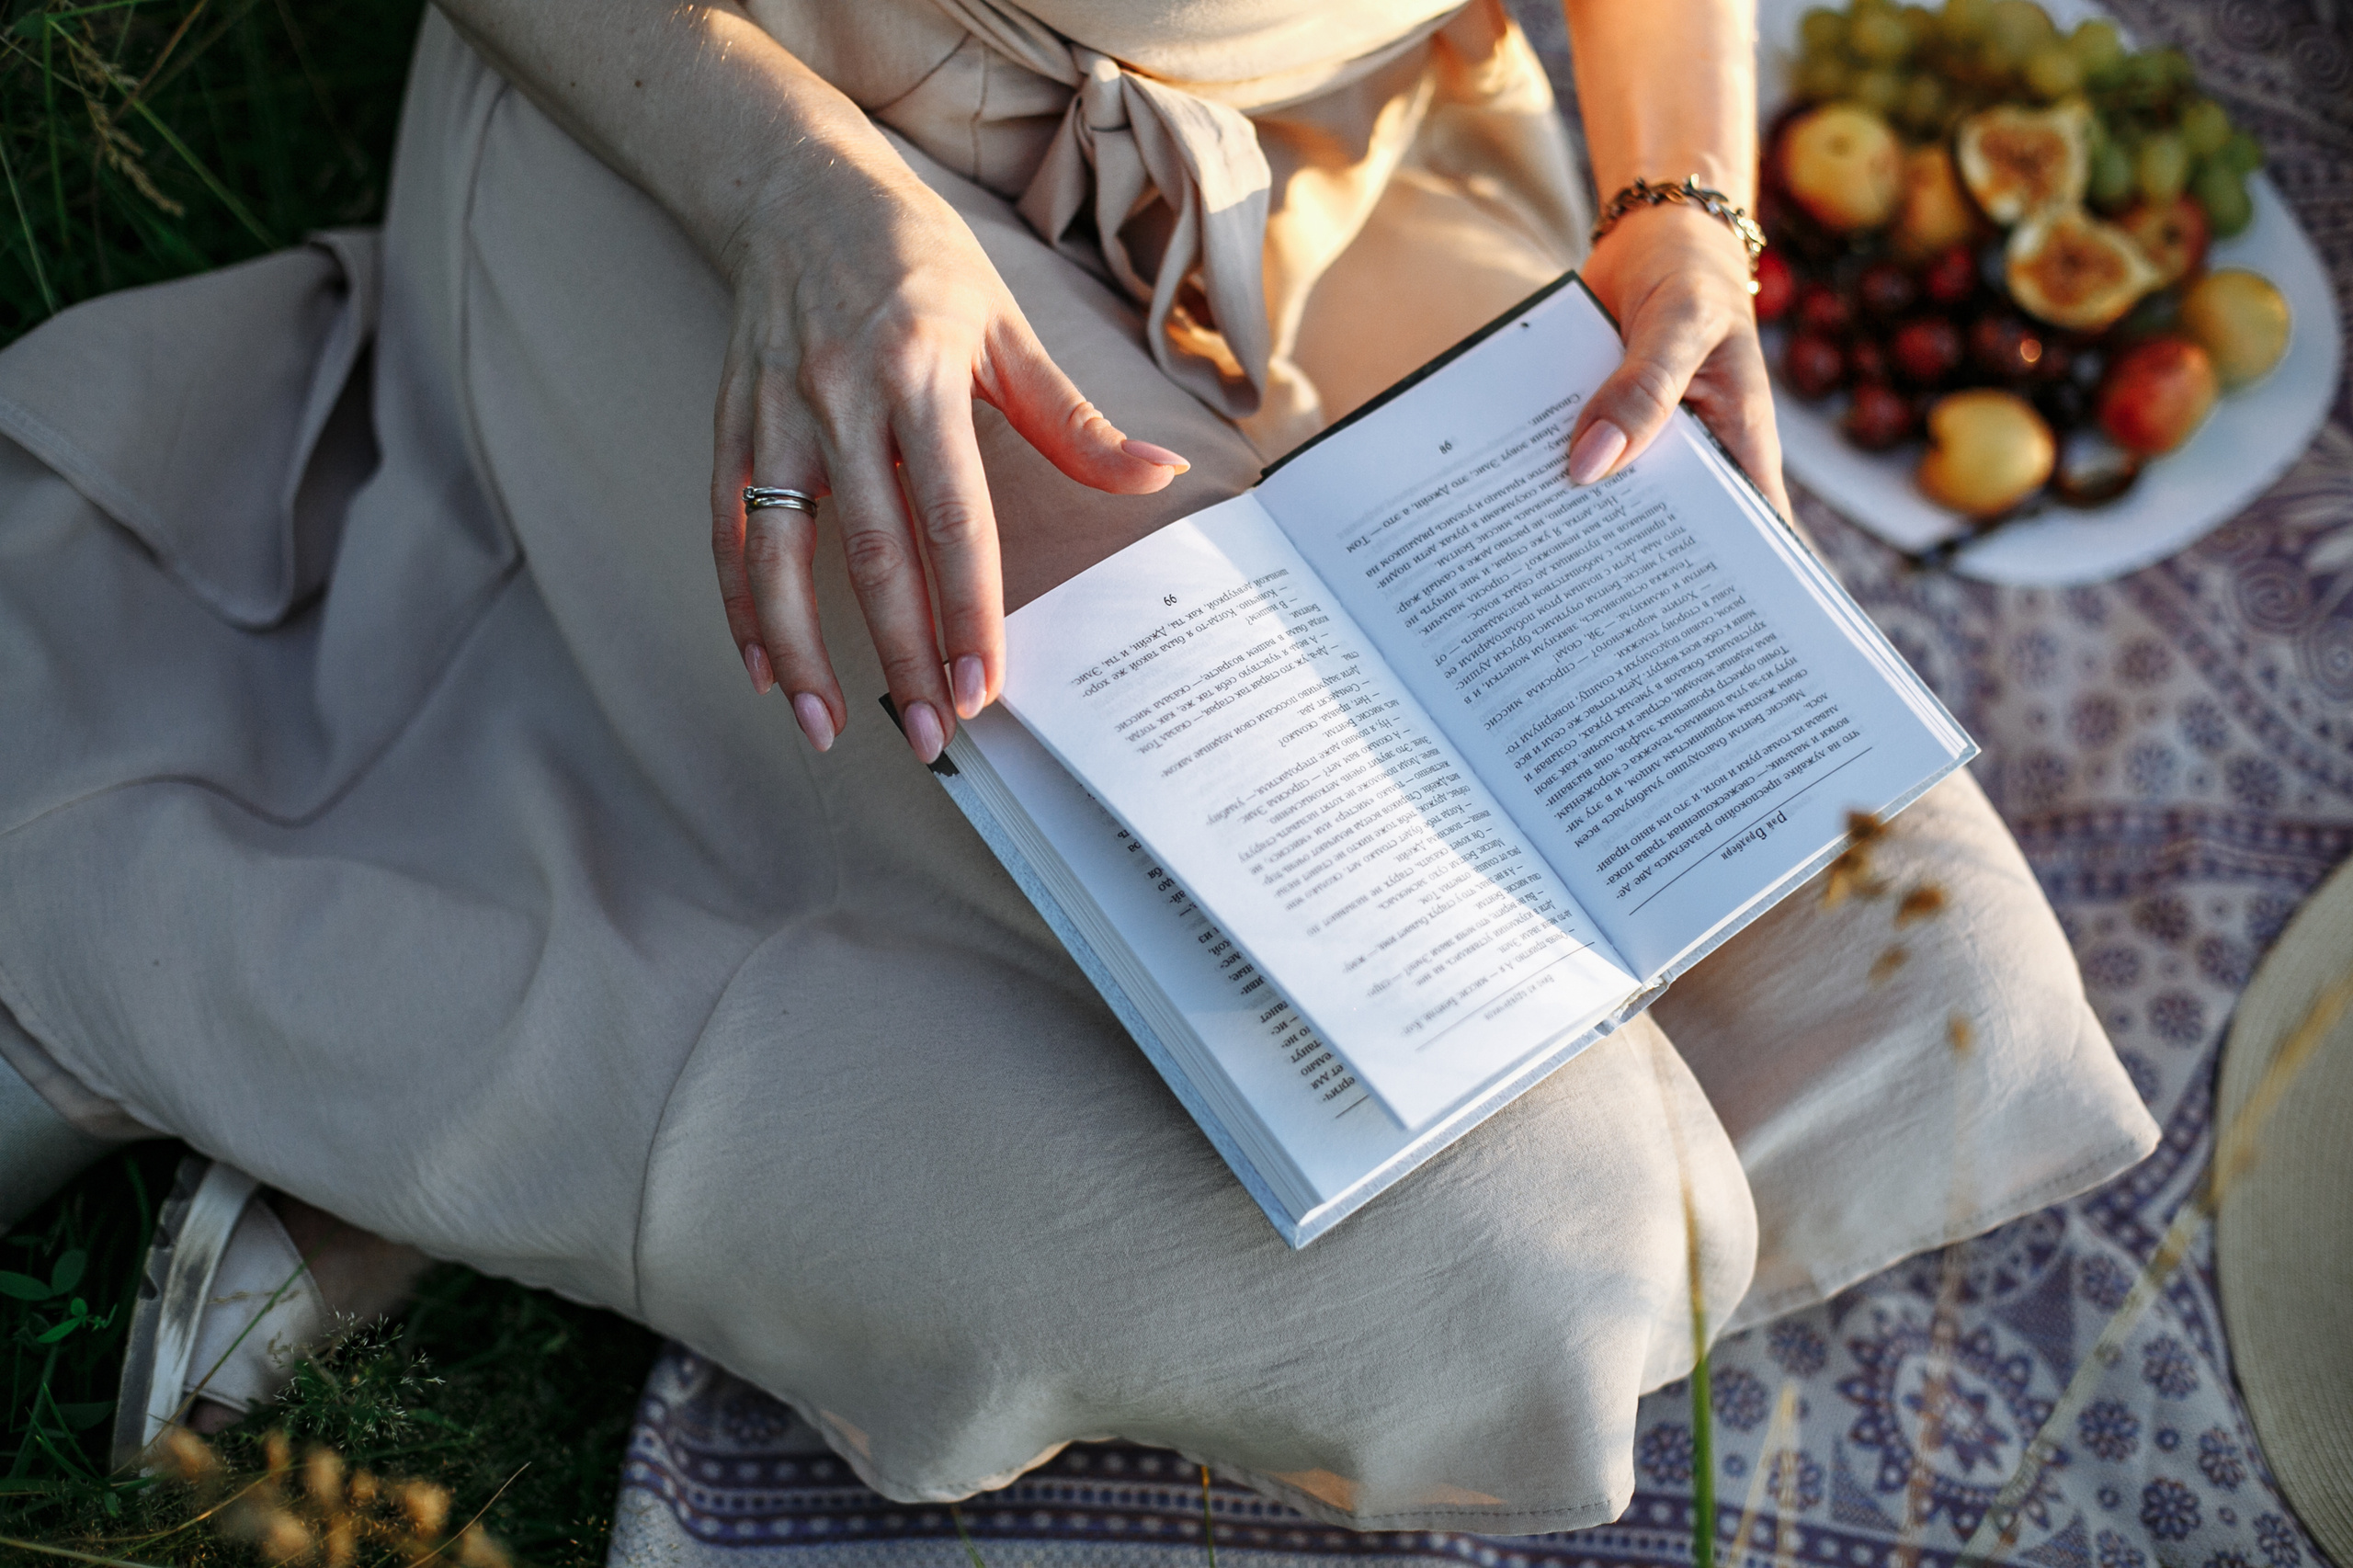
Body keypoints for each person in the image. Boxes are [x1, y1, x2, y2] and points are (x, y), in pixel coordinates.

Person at [0, 0, 2154, 1533]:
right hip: (742, 135)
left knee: (1922, 1020)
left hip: (1347, 160)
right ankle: (252, 963)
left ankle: (611, 794)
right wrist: (787, 193)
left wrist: (1677, 196)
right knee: (1526, 1253)